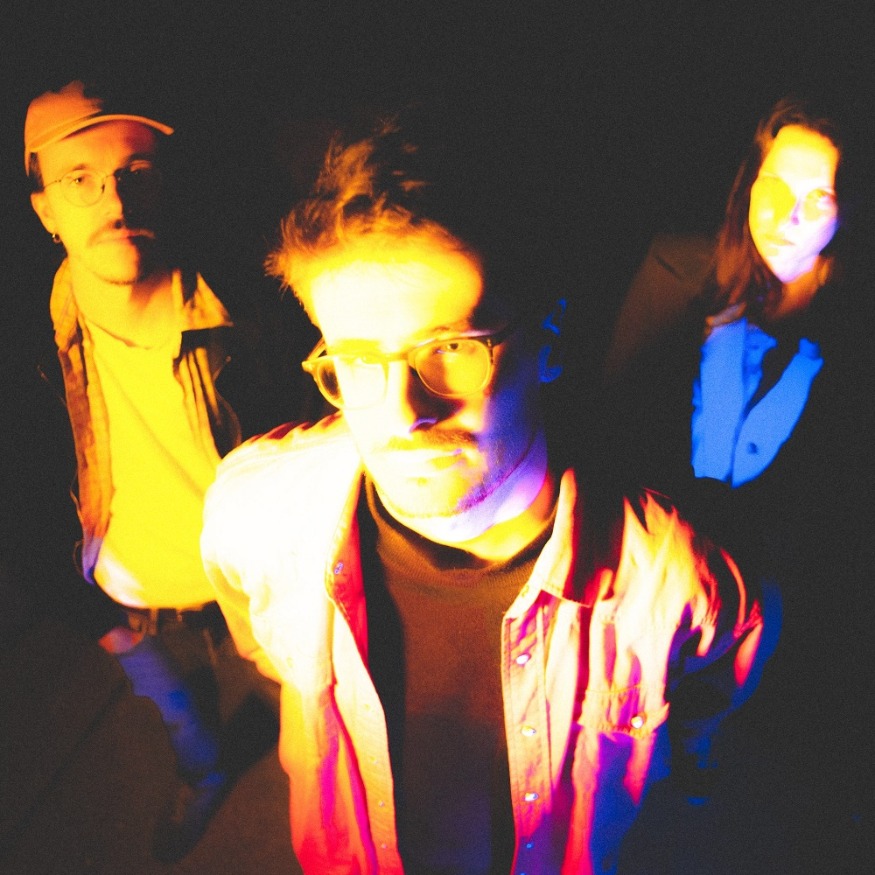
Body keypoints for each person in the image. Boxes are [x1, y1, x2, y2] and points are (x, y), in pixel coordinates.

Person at [200, 110, 765, 874]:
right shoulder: (254, 512)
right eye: (358, 360)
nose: (403, 412)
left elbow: (709, 696)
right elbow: (261, 642)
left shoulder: (677, 584)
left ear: (549, 343)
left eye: (452, 347)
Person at [602, 95, 874, 870]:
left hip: (763, 563)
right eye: (773, 188)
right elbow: (617, 409)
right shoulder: (677, 267)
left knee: (732, 671)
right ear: (746, 185)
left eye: (817, 198)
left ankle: (697, 742)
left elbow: (837, 485)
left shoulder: (849, 322)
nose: (786, 216)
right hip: (653, 537)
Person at [23, 79, 277, 862]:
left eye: (135, 172)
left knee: (307, 715)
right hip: (135, 603)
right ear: (44, 209)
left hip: (263, 584)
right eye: (80, 179)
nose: (114, 200)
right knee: (183, 722)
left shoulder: (253, 312)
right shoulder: (26, 347)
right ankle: (203, 777)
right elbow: (15, 493)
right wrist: (89, 614)